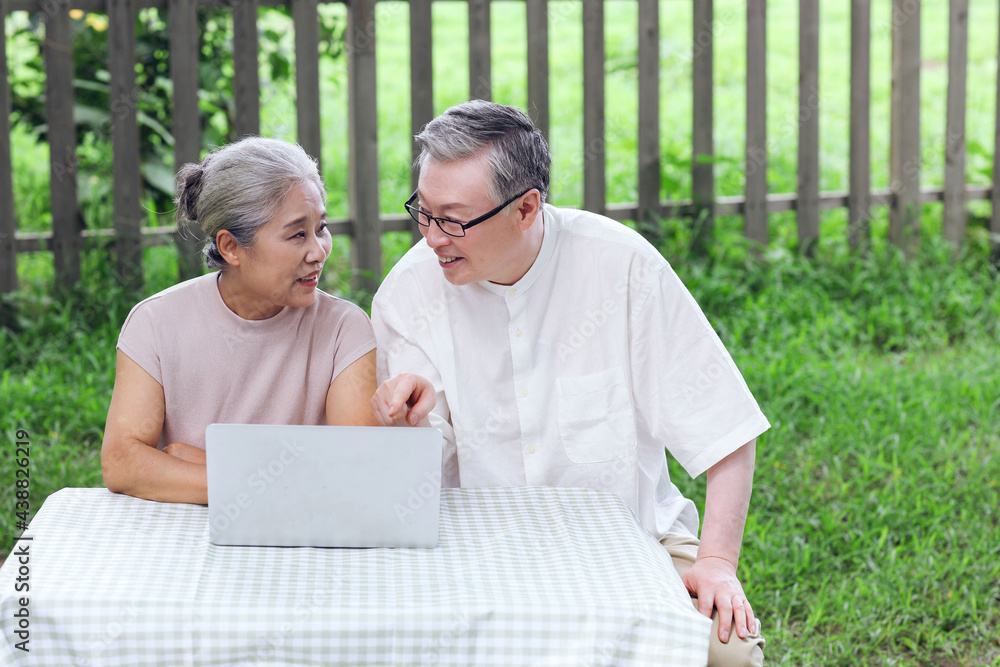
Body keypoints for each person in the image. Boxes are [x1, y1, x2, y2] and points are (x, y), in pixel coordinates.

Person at [370, 100, 769, 666]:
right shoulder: (407, 295)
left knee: (729, 655)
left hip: (635, 542)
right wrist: (407, 425)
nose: (433, 237)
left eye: (453, 219)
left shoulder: (623, 266)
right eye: (423, 212)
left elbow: (724, 430)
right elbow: (413, 481)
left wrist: (717, 564)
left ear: (526, 208)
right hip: (475, 555)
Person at [101, 137, 385, 505]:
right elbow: (123, 463)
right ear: (231, 247)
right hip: (184, 539)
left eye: (321, 227)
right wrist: (268, 482)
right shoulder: (156, 322)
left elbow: (355, 470)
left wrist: (206, 465)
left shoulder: (345, 330)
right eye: (298, 234)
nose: (318, 251)